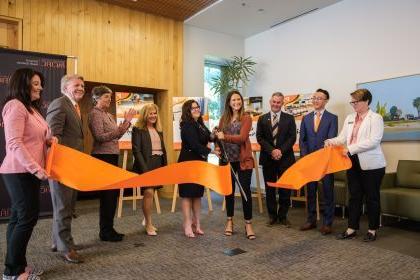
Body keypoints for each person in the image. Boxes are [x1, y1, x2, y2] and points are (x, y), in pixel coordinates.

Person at [1, 68, 56, 280]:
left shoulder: (31, 109)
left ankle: (18, 267)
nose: (40, 87)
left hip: (27, 172)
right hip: (20, 171)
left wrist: (50, 141)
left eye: (40, 83)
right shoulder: (15, 106)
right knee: (25, 219)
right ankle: (12, 273)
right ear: (22, 84)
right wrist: (36, 169)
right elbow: (14, 143)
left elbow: (37, 138)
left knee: (18, 219)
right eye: (35, 83)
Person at [325, 89, 386, 242]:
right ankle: (352, 228)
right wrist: (330, 141)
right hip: (352, 162)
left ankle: (372, 230)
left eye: (356, 102)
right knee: (354, 196)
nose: (353, 105)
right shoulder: (350, 118)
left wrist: (350, 149)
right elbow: (342, 137)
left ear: (366, 102)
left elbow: (374, 141)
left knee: (372, 198)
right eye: (352, 101)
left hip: (372, 165)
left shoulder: (376, 118)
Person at [88, 85, 135, 242]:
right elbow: (100, 137)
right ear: (97, 98)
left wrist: (126, 123)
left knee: (111, 196)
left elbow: (115, 137)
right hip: (103, 157)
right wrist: (122, 126)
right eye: (106, 96)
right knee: (108, 196)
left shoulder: (108, 114)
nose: (110, 99)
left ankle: (108, 229)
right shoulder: (95, 114)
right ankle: (105, 231)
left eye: (110, 96)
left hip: (112, 155)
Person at [46, 74, 85, 263]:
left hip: (73, 165)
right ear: (64, 88)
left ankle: (57, 241)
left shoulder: (75, 107)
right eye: (76, 85)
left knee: (65, 206)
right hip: (62, 165)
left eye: (82, 85)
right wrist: (61, 164)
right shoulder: (60, 104)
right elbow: (53, 137)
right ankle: (65, 247)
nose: (81, 88)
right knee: (63, 207)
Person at [216, 90, 256, 240]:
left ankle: (248, 224)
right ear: (229, 102)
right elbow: (219, 138)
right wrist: (218, 146)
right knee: (229, 192)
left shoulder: (246, 118)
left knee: (245, 193)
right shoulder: (223, 119)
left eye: (238, 99)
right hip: (227, 161)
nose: (236, 102)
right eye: (233, 100)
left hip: (243, 161)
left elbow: (242, 138)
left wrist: (224, 136)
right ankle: (229, 221)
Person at [299, 89, 338, 235]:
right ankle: (311, 220)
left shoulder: (332, 118)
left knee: (328, 192)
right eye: (314, 98)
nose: (315, 100)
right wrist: (306, 157)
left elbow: (331, 138)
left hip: (326, 162)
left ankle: (328, 223)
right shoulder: (306, 118)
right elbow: (302, 140)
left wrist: (319, 158)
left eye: (319, 98)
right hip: (309, 162)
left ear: (326, 101)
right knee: (310, 192)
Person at [256, 92, 296, 227]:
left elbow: (292, 138)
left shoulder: (289, 119)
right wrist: (272, 150)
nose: (276, 104)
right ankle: (272, 216)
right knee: (270, 189)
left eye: (278, 102)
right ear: (270, 101)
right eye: (274, 101)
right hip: (268, 158)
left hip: (285, 159)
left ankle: (283, 216)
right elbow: (260, 138)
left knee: (285, 188)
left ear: (282, 103)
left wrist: (280, 151)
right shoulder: (262, 119)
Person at [178, 100, 213, 238]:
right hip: (187, 164)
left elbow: (210, 136)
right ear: (188, 111)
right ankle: (187, 224)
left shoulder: (200, 124)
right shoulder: (187, 125)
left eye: (197, 107)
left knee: (198, 195)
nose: (197, 109)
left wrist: (216, 135)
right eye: (193, 108)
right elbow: (194, 145)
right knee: (187, 195)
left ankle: (197, 224)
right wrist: (211, 151)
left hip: (199, 164)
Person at [132, 104, 167, 236]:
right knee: (148, 193)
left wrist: (165, 167)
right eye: (150, 113)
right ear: (145, 115)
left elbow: (162, 150)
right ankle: (148, 223)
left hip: (158, 163)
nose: (153, 116)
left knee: (152, 194)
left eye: (155, 113)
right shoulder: (138, 129)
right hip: (145, 164)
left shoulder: (159, 130)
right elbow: (137, 151)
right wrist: (145, 170)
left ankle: (146, 219)